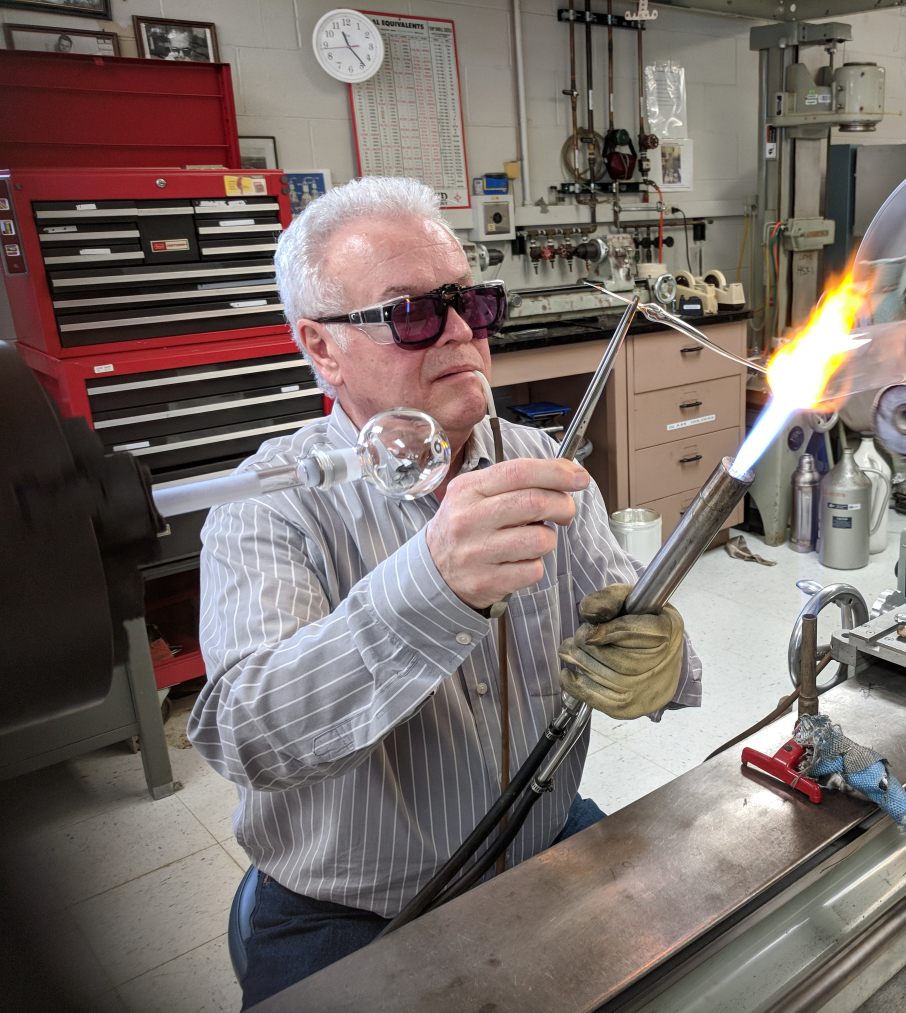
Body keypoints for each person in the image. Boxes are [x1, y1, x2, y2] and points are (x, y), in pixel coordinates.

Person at [188, 176, 700, 1008]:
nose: (462, 331)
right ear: (322, 346)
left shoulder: (540, 459)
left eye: (471, 301)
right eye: (411, 312)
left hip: (540, 840)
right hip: (349, 904)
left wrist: (661, 660)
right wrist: (428, 587)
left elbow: (627, 632)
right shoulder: (269, 504)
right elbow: (247, 736)